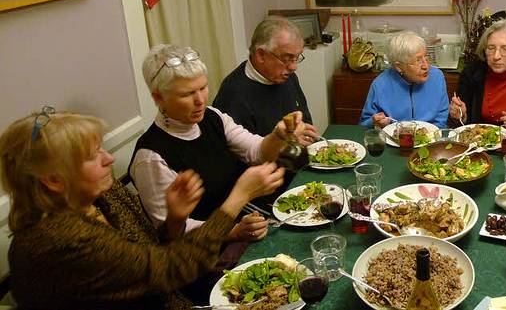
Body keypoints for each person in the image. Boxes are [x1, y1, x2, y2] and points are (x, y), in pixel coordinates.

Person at [0, 108, 285, 309]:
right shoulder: (59, 240)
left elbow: (151, 251)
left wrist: (175, 218)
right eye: (92, 156)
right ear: (53, 181)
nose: (109, 159)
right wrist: (238, 197)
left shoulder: (104, 194)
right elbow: (169, 270)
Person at [130, 44, 314, 238]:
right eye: (187, 94)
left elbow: (257, 153)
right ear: (159, 98)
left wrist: (278, 135)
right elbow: (173, 233)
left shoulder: (212, 116)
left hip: (244, 221)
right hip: (207, 252)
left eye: (203, 87)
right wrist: (232, 232)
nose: (200, 100)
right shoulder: (151, 157)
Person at [214, 16, 317, 138]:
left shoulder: (288, 77)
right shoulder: (233, 93)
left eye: (297, 57)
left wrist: (306, 133)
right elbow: (244, 153)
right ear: (260, 55)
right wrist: (290, 144)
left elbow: (305, 120)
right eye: (287, 58)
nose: (294, 67)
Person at [359, 31, 449, 128]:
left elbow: (441, 119)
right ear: (399, 67)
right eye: (418, 60)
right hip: (394, 138)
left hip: (432, 137)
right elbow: (364, 124)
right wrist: (375, 123)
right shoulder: (380, 84)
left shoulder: (437, 77)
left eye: (426, 57)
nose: (426, 66)